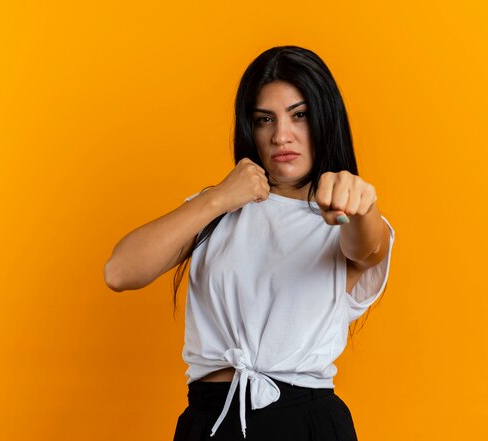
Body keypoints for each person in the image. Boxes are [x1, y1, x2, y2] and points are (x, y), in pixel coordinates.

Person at [104, 45, 396, 441]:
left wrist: (362, 206)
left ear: (326, 120)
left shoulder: (345, 216)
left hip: (305, 425)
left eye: (300, 115)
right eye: (265, 120)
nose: (281, 136)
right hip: (211, 421)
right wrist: (218, 197)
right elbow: (120, 272)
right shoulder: (217, 208)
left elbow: (368, 248)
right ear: (250, 128)